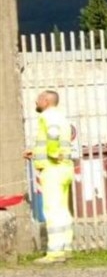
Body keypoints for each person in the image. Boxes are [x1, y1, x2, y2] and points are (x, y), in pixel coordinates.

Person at [22, 90, 75, 264]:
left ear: (45, 101)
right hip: (65, 168)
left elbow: (52, 135)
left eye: (37, 99)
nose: (35, 101)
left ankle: (54, 253)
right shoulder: (62, 117)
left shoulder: (47, 116)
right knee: (63, 210)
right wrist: (36, 153)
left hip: (53, 169)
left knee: (52, 211)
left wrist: (52, 154)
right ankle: (66, 248)